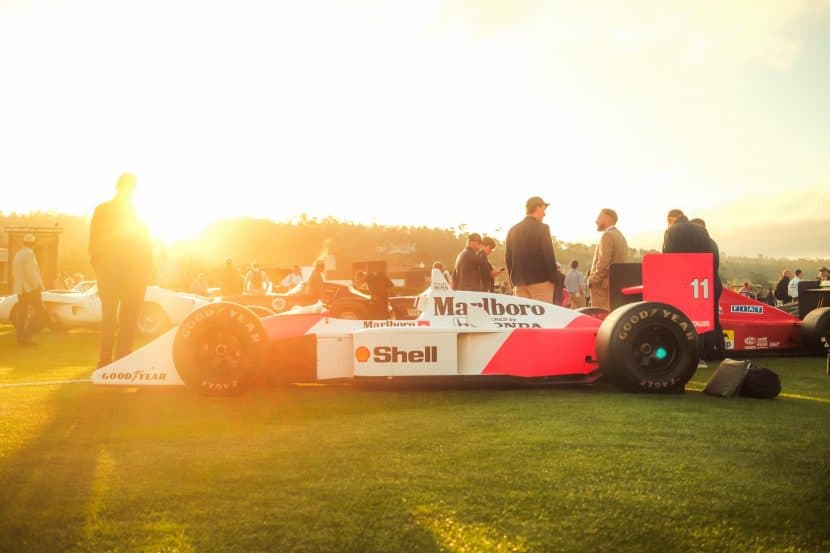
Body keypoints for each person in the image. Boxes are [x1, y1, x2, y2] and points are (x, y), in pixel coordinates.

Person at [89, 173, 153, 367]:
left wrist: (99, 266)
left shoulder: (105, 209)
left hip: (117, 273)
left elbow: (94, 243)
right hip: (128, 274)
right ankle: (119, 359)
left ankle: (108, 359)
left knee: (113, 317)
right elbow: (145, 244)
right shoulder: (135, 212)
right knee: (125, 318)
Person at [505, 196, 557, 302]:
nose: (544, 213)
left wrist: (513, 281)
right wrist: (553, 279)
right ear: (538, 207)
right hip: (540, 282)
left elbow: (508, 258)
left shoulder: (513, 230)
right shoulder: (543, 228)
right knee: (543, 316)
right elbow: (548, 255)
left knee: (524, 317)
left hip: (519, 283)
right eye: (543, 209)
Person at [689, 217, 725, 361]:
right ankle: (717, 351)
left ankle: (709, 351)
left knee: (706, 320)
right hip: (713, 284)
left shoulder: (705, 244)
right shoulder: (712, 243)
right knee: (713, 320)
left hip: (706, 284)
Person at [588, 208, 628, 310]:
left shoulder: (607, 235)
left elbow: (603, 263)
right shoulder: (621, 236)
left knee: (599, 318)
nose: (596, 221)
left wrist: (593, 280)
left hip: (602, 288)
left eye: (599, 218)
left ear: (607, 219)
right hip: (614, 285)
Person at [12, 234, 45, 346]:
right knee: (40, 310)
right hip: (30, 288)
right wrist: (36, 286)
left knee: (23, 313)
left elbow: (16, 272)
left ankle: (20, 337)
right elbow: (31, 273)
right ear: (33, 244)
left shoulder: (18, 254)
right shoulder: (30, 254)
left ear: (23, 243)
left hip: (20, 288)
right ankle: (27, 335)